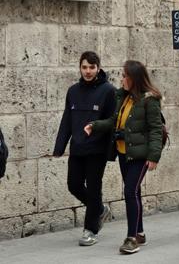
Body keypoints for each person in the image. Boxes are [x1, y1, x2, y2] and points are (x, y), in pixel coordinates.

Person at [84, 60, 163, 255]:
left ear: (134, 78)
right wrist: (95, 125)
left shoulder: (149, 100)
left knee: (129, 192)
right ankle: (140, 233)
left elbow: (155, 130)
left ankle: (131, 238)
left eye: (124, 75)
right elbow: (114, 121)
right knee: (134, 193)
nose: (122, 79)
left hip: (140, 155)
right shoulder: (124, 98)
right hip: (123, 153)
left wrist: (154, 156)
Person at [53, 51, 115, 246]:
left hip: (97, 149)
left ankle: (90, 230)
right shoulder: (72, 91)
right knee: (74, 184)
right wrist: (59, 146)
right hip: (78, 148)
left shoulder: (108, 91)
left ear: (98, 68)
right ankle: (99, 209)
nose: (88, 71)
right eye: (84, 67)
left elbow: (112, 121)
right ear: (80, 68)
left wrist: (110, 150)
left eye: (92, 67)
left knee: (94, 188)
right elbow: (67, 120)